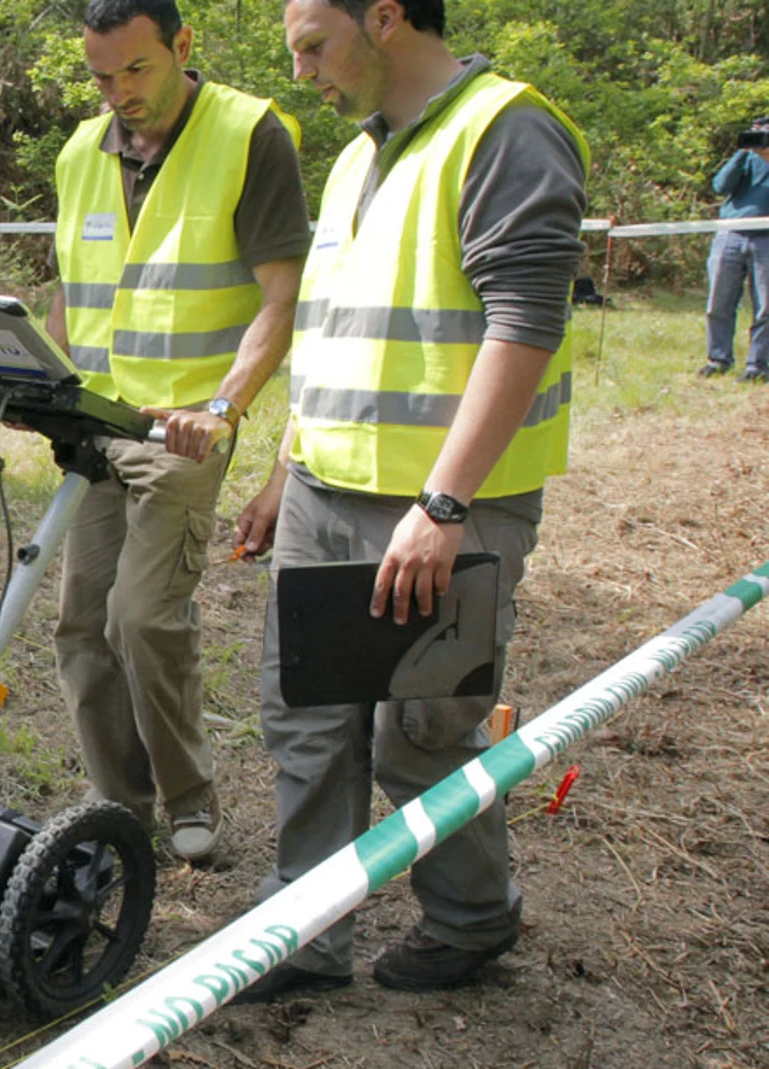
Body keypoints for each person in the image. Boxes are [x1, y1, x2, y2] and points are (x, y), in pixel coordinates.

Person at [233, 0, 588, 1000]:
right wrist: (280, 470)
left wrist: (442, 505)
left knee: (420, 731)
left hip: (442, 508)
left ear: (383, 17)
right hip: (324, 487)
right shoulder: (355, 155)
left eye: (313, 46)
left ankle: (474, 920)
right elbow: (334, 333)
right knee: (306, 717)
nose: (301, 72)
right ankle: (304, 930)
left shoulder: (506, 130)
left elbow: (523, 325)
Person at [46, 0, 309, 864]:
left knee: (142, 618)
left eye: (137, 70)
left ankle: (189, 794)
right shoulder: (81, 153)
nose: (119, 92)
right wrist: (45, 381)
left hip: (186, 429)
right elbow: (74, 289)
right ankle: (119, 807)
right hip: (98, 424)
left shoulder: (249, 134)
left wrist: (225, 407)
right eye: (101, 76)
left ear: (182, 47)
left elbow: (281, 295)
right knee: (83, 625)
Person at [699, 117, 769, 382]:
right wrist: (743, 151)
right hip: (731, 233)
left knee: (765, 306)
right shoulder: (746, 157)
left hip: (766, 238)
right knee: (719, 301)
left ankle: (758, 365)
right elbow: (720, 186)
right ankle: (718, 359)